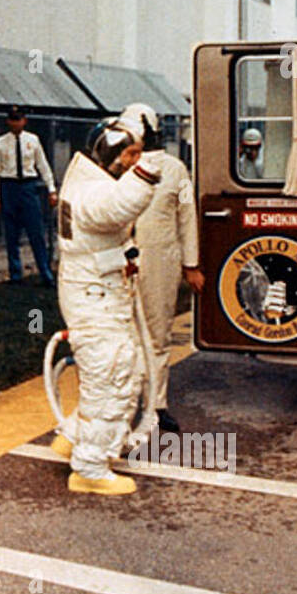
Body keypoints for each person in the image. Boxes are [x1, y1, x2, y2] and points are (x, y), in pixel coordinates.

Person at [52, 112, 163, 495]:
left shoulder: (88, 180)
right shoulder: (94, 192)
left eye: (138, 153)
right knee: (113, 375)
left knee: (109, 371)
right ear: (112, 154)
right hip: (94, 296)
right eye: (130, 153)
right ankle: (89, 467)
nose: (134, 160)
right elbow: (117, 207)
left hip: (97, 292)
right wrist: (150, 168)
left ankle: (73, 436)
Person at [127, 103, 203, 433]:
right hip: (123, 260)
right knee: (123, 333)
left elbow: (187, 217)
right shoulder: (119, 166)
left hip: (161, 260)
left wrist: (191, 264)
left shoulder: (176, 170)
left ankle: (156, 404)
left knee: (157, 333)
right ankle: (127, 401)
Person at [0, 105, 57, 285]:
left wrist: (51, 189)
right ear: (8, 121)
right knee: (11, 234)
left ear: (24, 121)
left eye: (18, 119)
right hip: (9, 186)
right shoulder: (0, 143)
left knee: (36, 232)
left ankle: (45, 272)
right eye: (12, 119)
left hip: (28, 187)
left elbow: (43, 165)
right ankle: (15, 274)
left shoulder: (33, 140)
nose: (15, 123)